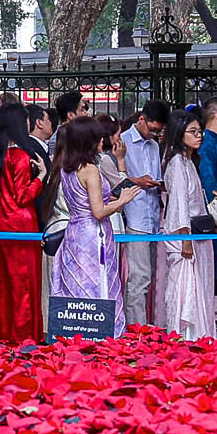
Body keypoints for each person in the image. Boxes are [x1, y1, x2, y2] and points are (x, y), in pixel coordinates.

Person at [44, 115, 135, 333]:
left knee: (75, 282)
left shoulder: (66, 168)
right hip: (94, 236)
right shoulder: (91, 170)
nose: (102, 142)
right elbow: (98, 212)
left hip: (73, 232)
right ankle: (101, 332)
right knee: (97, 280)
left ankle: (74, 330)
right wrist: (122, 200)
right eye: (97, 138)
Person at [0, 105, 48, 343]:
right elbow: (23, 196)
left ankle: (7, 334)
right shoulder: (21, 157)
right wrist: (41, 177)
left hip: (1, 223)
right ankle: (24, 336)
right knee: (24, 284)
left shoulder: (0, 156)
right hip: (21, 225)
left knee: (4, 284)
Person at [119, 100, 167, 329]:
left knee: (150, 277)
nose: (155, 134)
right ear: (141, 119)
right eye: (153, 129)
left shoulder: (154, 146)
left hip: (153, 215)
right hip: (134, 216)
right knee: (138, 277)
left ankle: (145, 324)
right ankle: (135, 327)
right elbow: (114, 181)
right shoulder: (123, 142)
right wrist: (137, 181)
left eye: (159, 131)